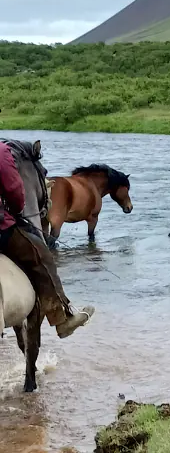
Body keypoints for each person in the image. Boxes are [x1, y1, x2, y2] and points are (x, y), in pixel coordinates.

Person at [0, 142, 94, 338]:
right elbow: (15, 191)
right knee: (41, 255)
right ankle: (63, 319)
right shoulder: (2, 151)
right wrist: (16, 210)